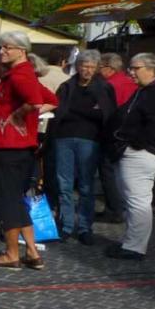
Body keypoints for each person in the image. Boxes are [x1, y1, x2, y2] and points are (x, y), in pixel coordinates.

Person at [0, 32, 57, 269]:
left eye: (6, 47)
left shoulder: (19, 75)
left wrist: (19, 115)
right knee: (16, 200)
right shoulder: (23, 74)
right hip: (20, 147)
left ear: (21, 50)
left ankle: (11, 253)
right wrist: (28, 118)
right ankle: (33, 253)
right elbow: (51, 100)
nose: (1, 51)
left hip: (9, 148)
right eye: (0, 47)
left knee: (6, 200)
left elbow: (37, 102)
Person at [105, 53, 155, 260]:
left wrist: (131, 145)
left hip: (142, 153)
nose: (131, 72)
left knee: (137, 201)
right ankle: (132, 242)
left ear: (152, 70)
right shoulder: (147, 91)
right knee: (135, 200)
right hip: (140, 151)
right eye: (131, 68)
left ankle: (134, 247)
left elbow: (154, 125)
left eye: (136, 68)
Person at [51, 50, 116, 245]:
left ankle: (85, 227)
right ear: (77, 66)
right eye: (84, 66)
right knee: (64, 185)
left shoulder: (103, 88)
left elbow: (106, 115)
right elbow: (58, 111)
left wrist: (76, 111)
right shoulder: (66, 86)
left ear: (96, 68)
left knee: (86, 186)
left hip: (90, 140)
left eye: (91, 67)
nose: (87, 70)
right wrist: (88, 112)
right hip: (64, 138)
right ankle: (66, 225)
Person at [97, 53, 136, 224]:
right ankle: (117, 207)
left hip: (111, 132)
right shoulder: (131, 83)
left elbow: (105, 111)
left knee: (107, 172)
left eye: (99, 66)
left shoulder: (109, 85)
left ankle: (115, 209)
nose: (97, 70)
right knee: (122, 173)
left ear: (108, 68)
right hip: (129, 134)